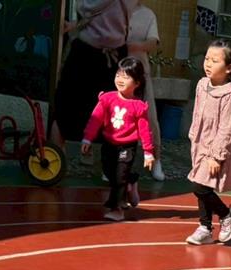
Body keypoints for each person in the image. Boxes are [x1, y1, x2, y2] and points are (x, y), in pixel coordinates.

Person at [81, 57, 154, 222]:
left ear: (137, 83)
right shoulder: (107, 99)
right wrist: (87, 138)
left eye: (126, 77)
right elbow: (95, 120)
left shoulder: (138, 106)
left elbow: (144, 130)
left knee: (120, 176)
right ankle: (131, 182)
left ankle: (117, 209)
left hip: (127, 147)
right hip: (109, 144)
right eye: (118, 75)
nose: (120, 79)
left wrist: (148, 152)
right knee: (110, 173)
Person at [185, 40, 231, 245]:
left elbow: (227, 128)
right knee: (204, 186)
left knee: (199, 186)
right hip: (199, 144)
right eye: (207, 59)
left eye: (214, 61)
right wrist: (193, 135)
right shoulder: (202, 84)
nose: (208, 64)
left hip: (214, 148)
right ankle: (205, 228)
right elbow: (197, 112)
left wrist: (216, 156)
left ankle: (227, 215)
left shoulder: (229, 95)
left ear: (229, 68)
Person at [53, 0, 134, 145]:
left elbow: (84, 8)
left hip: (90, 54)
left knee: (65, 111)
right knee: (112, 115)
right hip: (112, 55)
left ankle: (57, 154)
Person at [127, 1, 165, 181]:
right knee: (114, 117)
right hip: (117, 73)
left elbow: (152, 42)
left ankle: (156, 160)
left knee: (150, 117)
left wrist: (133, 45)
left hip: (141, 73)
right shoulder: (114, 10)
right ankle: (109, 162)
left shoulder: (148, 14)